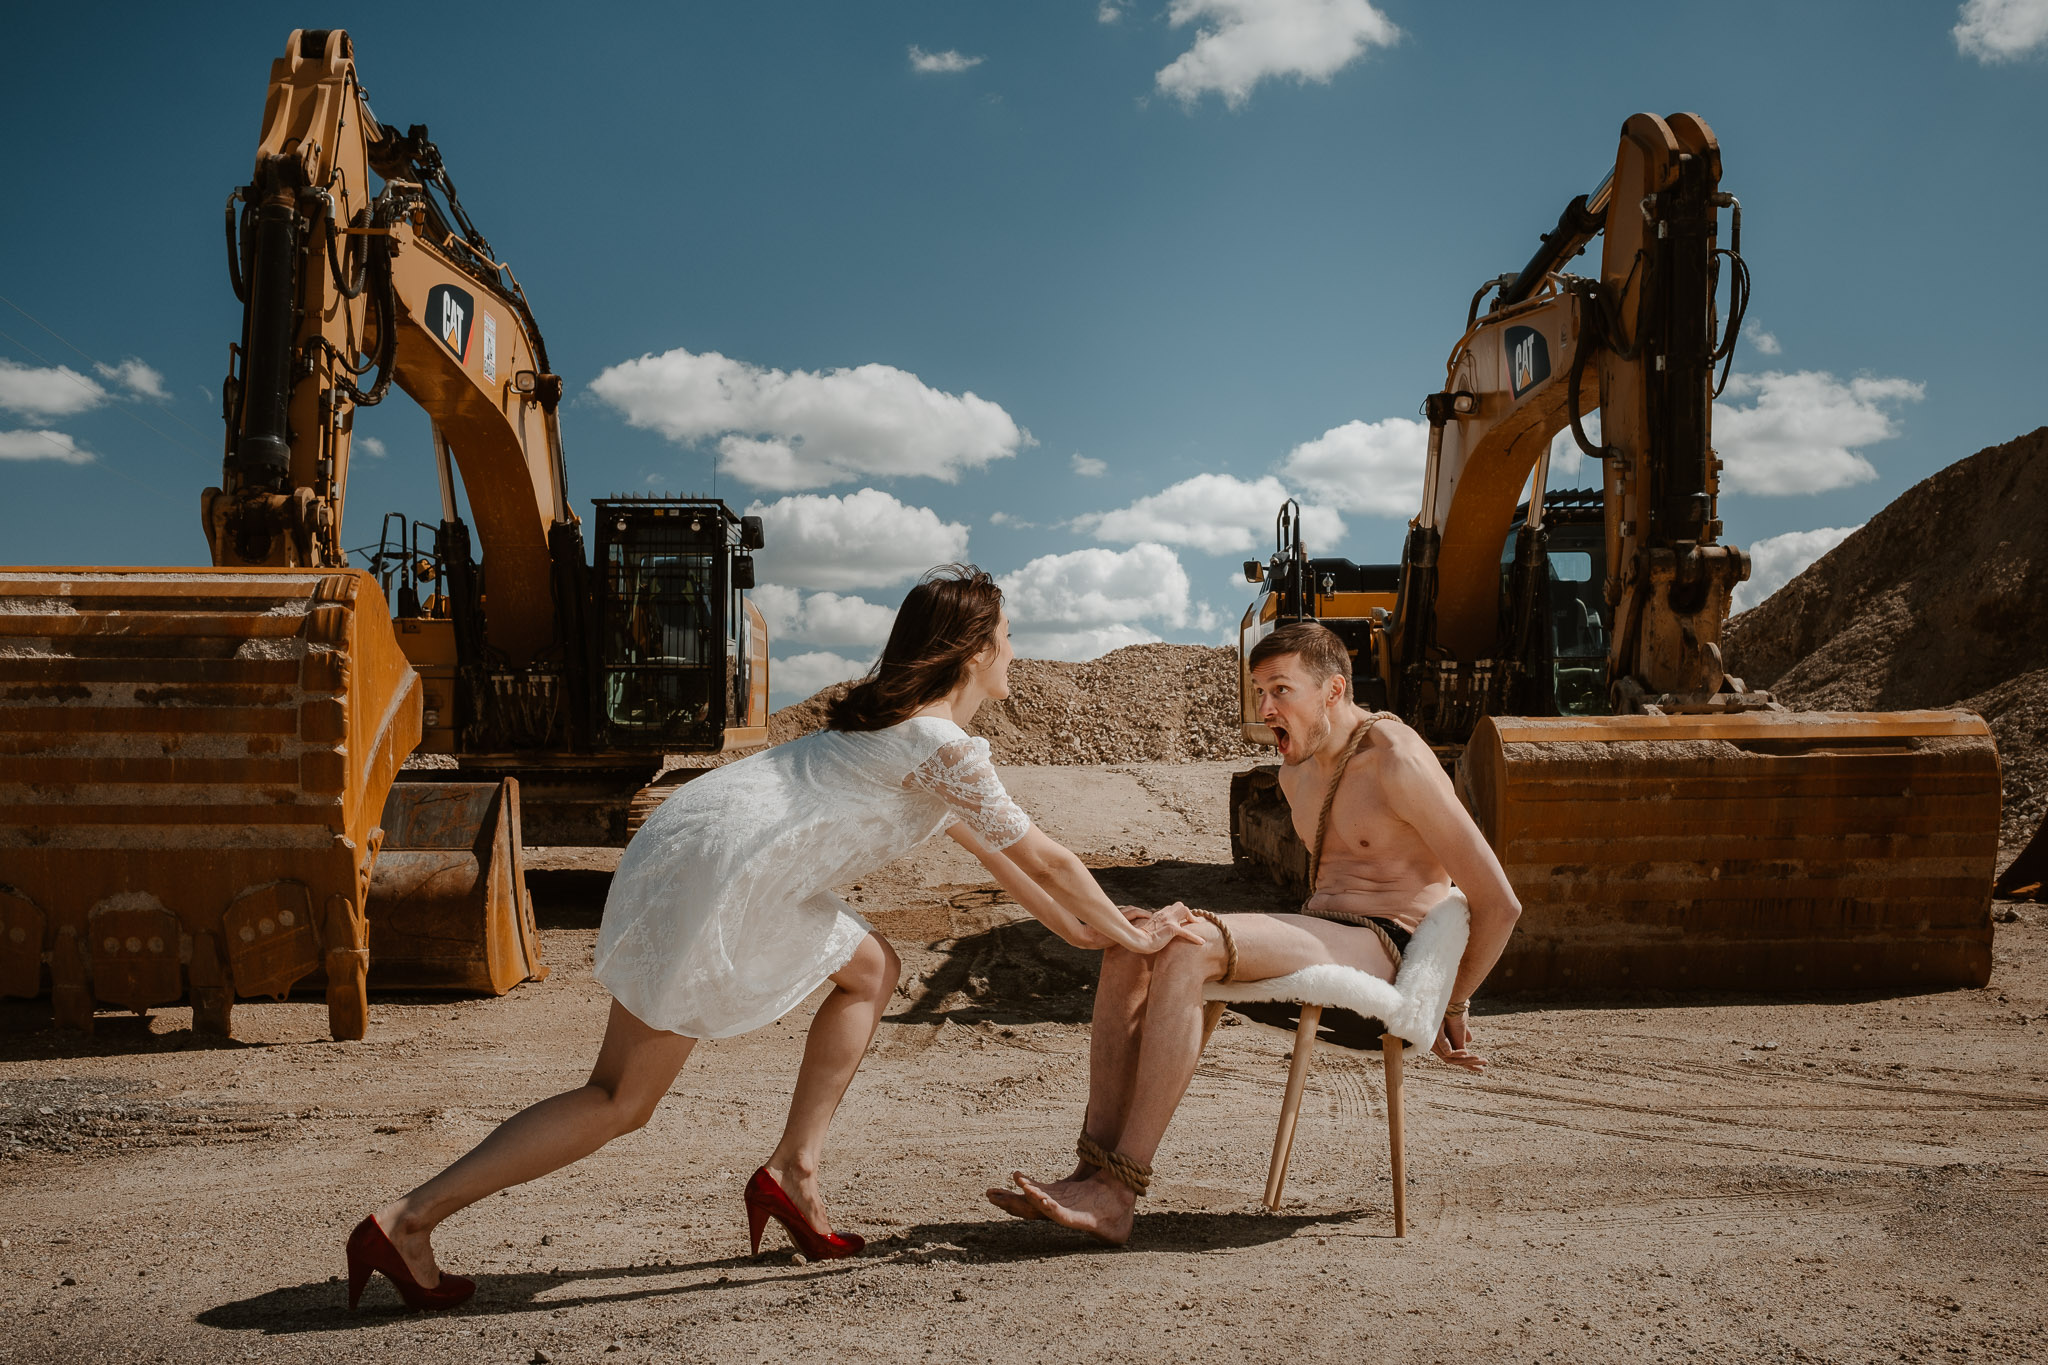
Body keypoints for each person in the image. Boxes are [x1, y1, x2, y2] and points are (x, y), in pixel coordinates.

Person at [346, 566, 1201, 1309]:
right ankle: (408, 1220)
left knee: (870, 967)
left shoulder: (905, 734)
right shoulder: (940, 742)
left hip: (698, 846)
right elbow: (1047, 854)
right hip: (721, 870)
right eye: (1009, 636)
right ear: (976, 649)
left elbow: (1019, 872)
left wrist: (1100, 935)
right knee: (620, 1099)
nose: (1017, 651)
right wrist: (1138, 927)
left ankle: (795, 1169)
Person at [989, 620, 1522, 1245]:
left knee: (1190, 945)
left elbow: (1498, 902)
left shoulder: (1396, 759)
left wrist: (1449, 1001)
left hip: (1386, 942)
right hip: (1325, 931)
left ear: (1333, 691)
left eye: (1280, 689)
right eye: (1258, 690)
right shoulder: (1296, 774)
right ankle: (1089, 1171)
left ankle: (1118, 1192)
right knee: (1134, 939)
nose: (1265, 707)